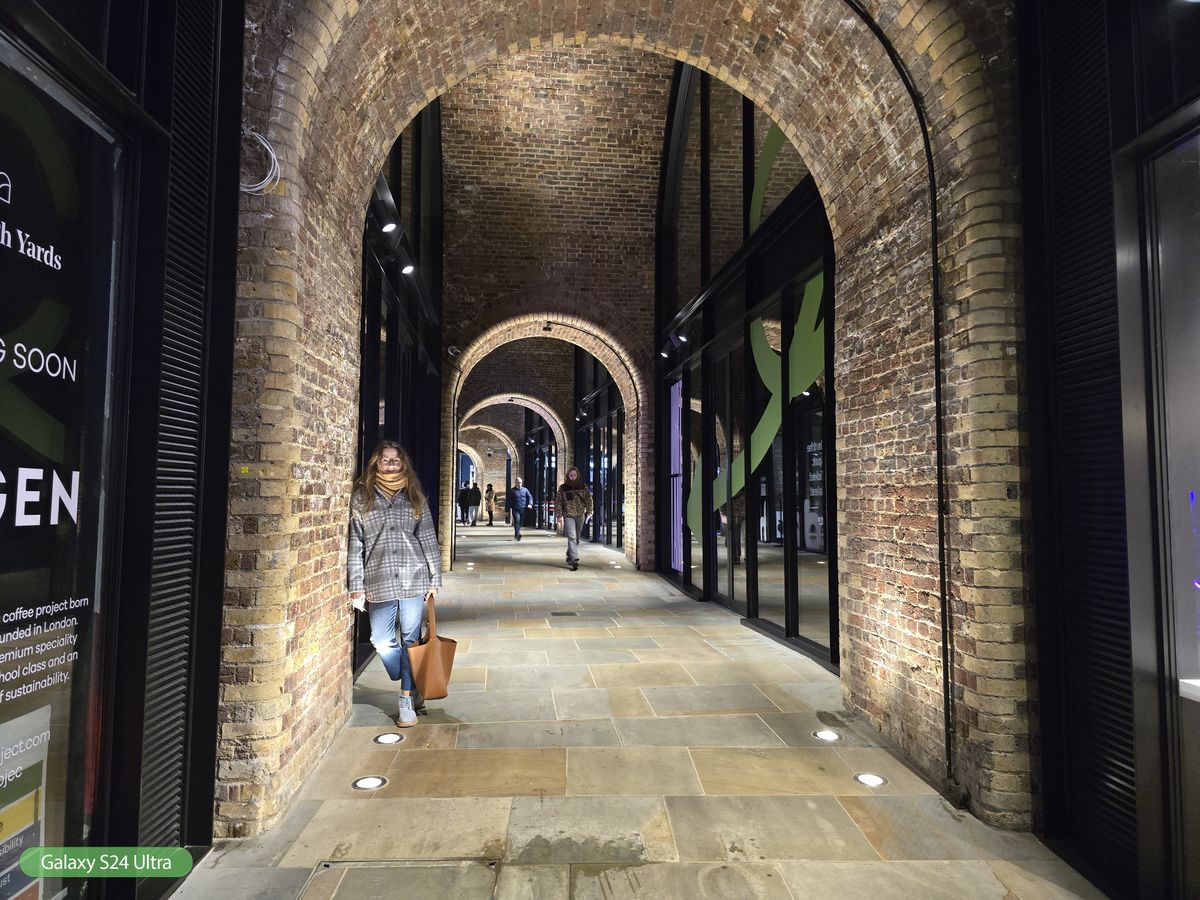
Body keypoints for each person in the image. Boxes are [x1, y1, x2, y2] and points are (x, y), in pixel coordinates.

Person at [348, 441, 441, 727]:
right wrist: (356, 584)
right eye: (386, 460)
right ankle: (410, 676)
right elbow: (356, 544)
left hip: (414, 576)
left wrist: (435, 578)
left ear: (403, 464)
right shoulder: (362, 497)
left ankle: (405, 700)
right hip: (378, 577)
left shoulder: (414, 496)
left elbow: (427, 538)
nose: (391, 464)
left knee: (411, 640)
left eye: (396, 460)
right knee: (381, 639)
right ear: (376, 463)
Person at [556, 465, 594, 570]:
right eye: (571, 475)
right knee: (572, 537)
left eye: (574, 475)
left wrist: (589, 510)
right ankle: (574, 560)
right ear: (568, 476)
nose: (572, 477)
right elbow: (558, 502)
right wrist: (559, 515)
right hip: (568, 515)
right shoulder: (563, 488)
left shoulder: (583, 486)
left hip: (580, 515)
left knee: (576, 538)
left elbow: (588, 499)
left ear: (577, 475)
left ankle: (569, 555)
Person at [506, 476, 534, 541]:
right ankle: (518, 534)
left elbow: (530, 497)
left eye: (520, 482)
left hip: (523, 509)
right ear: (515, 483)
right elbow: (508, 501)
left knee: (521, 522)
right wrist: (507, 510)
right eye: (518, 482)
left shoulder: (525, 490)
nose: (519, 484)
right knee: (517, 521)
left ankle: (516, 534)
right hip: (515, 509)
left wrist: (530, 504)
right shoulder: (512, 491)